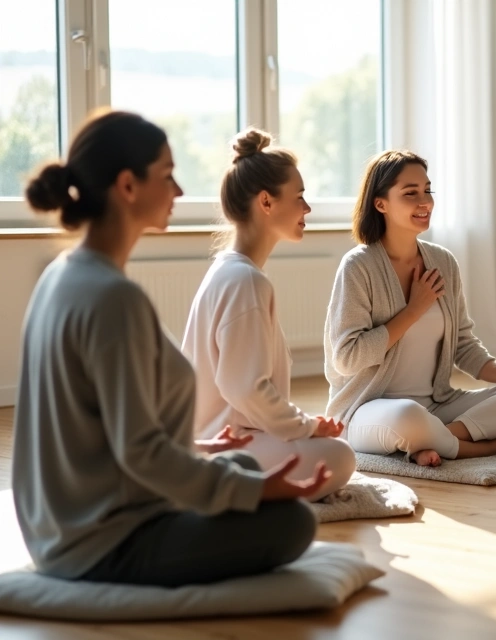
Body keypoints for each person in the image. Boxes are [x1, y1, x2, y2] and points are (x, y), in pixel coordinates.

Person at [15, 110, 326, 587]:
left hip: (57, 527)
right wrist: (261, 488)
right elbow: (141, 454)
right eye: (167, 175)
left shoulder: (62, 275)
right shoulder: (113, 298)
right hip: (100, 542)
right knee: (294, 522)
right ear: (128, 186)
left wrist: (201, 448)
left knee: (239, 463)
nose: (179, 191)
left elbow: (101, 428)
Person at [325, 150, 496, 466]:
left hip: (436, 406)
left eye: (427, 190)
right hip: (368, 411)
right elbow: (347, 358)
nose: (424, 201)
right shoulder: (359, 266)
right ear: (380, 203)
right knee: (407, 416)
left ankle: (438, 438)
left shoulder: (443, 263)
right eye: (410, 193)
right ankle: (480, 447)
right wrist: (413, 310)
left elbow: (464, 348)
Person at [182, 128, 356, 501]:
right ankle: (234, 491)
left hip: (227, 437)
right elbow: (244, 388)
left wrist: (302, 427)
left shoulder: (231, 271)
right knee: (341, 457)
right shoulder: (244, 279)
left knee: (334, 449)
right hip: (229, 446)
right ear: (266, 202)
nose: (307, 209)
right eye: (300, 197)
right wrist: (305, 427)